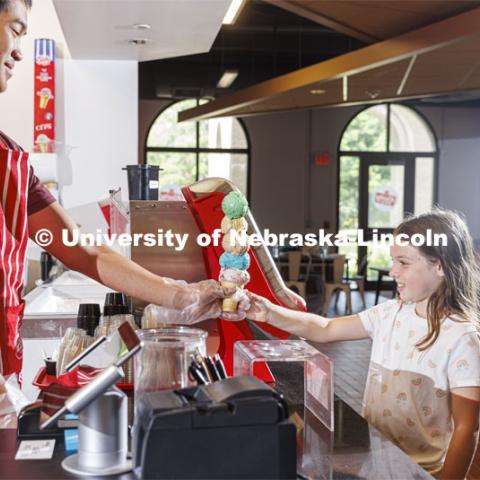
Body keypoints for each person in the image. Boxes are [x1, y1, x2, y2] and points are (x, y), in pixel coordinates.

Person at [0, 0, 248, 378]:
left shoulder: (10, 160)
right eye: (15, 30)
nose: (20, 50)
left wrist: (182, 294)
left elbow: (84, 250)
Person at [228, 210, 480, 479]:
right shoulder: (389, 313)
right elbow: (325, 328)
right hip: (377, 462)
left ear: (439, 265)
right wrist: (268, 312)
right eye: (393, 261)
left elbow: (467, 428)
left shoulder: (462, 338)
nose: (393, 271)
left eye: (403, 263)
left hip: (421, 471)